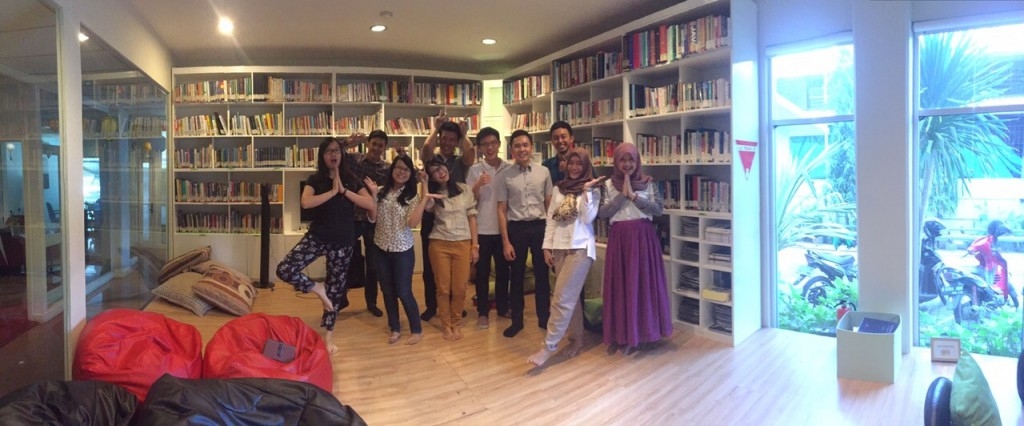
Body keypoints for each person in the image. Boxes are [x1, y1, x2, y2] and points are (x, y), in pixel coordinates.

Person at [276, 137, 377, 354]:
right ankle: (317, 288)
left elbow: (370, 203)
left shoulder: (351, 179)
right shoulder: (315, 179)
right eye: (329, 151)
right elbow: (306, 202)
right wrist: (332, 191)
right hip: (318, 237)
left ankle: (329, 337)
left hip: (343, 241)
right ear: (323, 156)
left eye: (337, 151)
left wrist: (343, 191)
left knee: (336, 290)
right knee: (285, 269)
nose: (334, 154)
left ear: (342, 155)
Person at [529, 148, 606, 366]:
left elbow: (588, 218)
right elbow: (551, 220)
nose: (574, 167)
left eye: (579, 164)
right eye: (571, 163)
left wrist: (586, 192)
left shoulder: (592, 189)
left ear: (585, 166)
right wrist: (547, 247)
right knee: (570, 298)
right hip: (559, 248)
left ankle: (548, 347)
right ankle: (577, 339)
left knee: (561, 298)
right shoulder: (559, 188)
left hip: (580, 248)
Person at [598, 142, 671, 356]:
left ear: (637, 161)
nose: (627, 164)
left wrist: (634, 196)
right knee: (622, 286)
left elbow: (658, 210)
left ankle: (644, 333)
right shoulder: (608, 184)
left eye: (631, 159)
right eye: (623, 160)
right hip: (619, 240)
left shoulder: (649, 182)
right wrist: (623, 194)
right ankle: (623, 335)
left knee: (643, 285)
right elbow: (602, 213)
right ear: (616, 162)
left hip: (643, 239)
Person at [371, 155, 443, 345]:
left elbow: (412, 223)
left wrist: (424, 194)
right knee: (387, 290)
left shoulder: (412, 196)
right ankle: (394, 327)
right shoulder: (380, 192)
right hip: (380, 247)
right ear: (392, 169)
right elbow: (372, 218)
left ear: (411, 174)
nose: (401, 172)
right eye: (398, 168)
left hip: (402, 250)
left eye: (406, 169)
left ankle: (416, 329)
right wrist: (372, 196)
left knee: (403, 291)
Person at [418, 115, 475, 321]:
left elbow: (471, 153)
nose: (447, 143)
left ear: (457, 142)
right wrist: (436, 129)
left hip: (455, 219)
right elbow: (426, 148)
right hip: (432, 215)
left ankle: (454, 306)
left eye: (452, 139)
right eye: (444, 138)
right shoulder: (432, 160)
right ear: (439, 138)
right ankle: (432, 306)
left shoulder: (460, 162)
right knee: (430, 268)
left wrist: (464, 134)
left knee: (455, 271)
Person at [496, 130, 552, 338]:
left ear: (531, 147)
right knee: (516, 276)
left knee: (542, 275)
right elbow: (501, 210)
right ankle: (517, 321)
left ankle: (544, 318)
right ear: (512, 149)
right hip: (517, 229)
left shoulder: (543, 172)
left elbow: (549, 204)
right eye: (517, 146)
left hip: (540, 227)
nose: (522, 149)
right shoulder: (504, 176)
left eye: (525, 145)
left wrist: (551, 237)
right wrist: (505, 242)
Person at [425, 159, 479, 341]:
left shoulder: (464, 189)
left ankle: (456, 323)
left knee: (460, 288)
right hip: (439, 243)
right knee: (443, 288)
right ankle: (446, 325)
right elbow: (427, 206)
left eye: (441, 168)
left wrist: (475, 246)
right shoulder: (434, 194)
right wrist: (424, 183)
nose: (440, 172)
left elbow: (472, 217)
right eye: (434, 172)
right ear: (432, 177)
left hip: (463, 243)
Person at [466, 126, 512, 329]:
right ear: (479, 148)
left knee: (503, 271)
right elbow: (467, 200)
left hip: (504, 230)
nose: (490, 147)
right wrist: (477, 185)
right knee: (482, 273)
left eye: (493, 143)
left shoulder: (509, 168)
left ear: (499, 144)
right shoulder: (475, 170)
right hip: (482, 230)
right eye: (485, 144)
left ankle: (502, 307)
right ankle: (483, 312)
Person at [343, 130, 390, 317]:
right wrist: (347, 142)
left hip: (373, 221)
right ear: (368, 144)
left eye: (380, 145)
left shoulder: (386, 168)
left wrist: (403, 155)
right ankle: (340, 299)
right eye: (374, 144)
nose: (376, 148)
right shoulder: (354, 160)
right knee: (344, 259)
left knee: (373, 265)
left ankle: (371, 303)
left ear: (384, 148)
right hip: (352, 218)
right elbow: (332, 152)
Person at [968, 219, 1018, 308]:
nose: (1001, 234)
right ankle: (991, 301)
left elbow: (976, 246)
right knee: (993, 286)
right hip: (988, 268)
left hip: (987, 266)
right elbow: (978, 246)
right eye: (1000, 232)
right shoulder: (988, 240)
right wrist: (972, 250)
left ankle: (991, 301)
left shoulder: (990, 239)